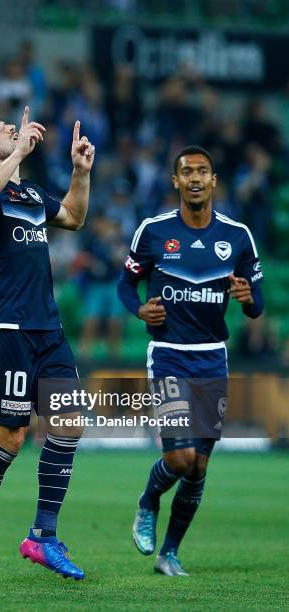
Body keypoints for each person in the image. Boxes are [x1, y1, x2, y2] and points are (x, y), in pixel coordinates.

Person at [0, 107, 95, 586]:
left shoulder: (28, 192)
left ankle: (43, 536)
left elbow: (72, 216)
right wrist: (21, 154)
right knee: (10, 436)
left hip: (47, 327)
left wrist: (80, 172)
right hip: (5, 328)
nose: (8, 126)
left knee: (69, 423)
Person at [117, 145, 264, 576]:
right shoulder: (154, 231)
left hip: (212, 357)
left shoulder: (238, 236)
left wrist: (248, 298)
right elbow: (125, 286)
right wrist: (140, 310)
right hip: (168, 356)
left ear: (214, 181)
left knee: (199, 467)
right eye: (187, 172)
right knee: (180, 460)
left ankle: (169, 554)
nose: (196, 178)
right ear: (176, 182)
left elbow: (256, 307)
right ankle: (147, 502)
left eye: (203, 171)